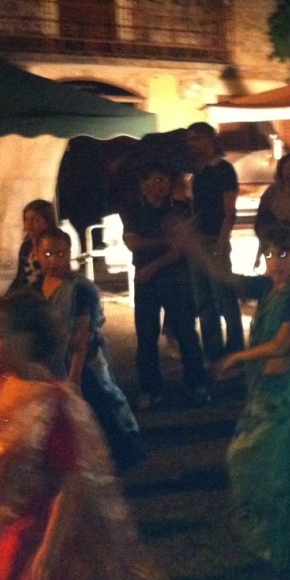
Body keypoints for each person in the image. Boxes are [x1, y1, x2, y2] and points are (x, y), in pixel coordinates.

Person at [0, 292, 181, 580]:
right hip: (7, 523)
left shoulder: (50, 401)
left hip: (41, 530)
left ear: (27, 337)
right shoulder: (0, 384)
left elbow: (71, 479)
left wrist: (49, 550)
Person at [189, 223, 290, 570]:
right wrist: (196, 248)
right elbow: (228, 278)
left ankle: (286, 547)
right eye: (269, 254)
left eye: (283, 254)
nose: (275, 261)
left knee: (282, 472)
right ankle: (269, 539)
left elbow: (281, 344)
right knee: (249, 462)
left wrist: (237, 356)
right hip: (268, 395)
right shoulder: (268, 290)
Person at [34, 228, 144, 470]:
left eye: (60, 254)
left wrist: (74, 377)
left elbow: (81, 335)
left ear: (69, 253)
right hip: (52, 363)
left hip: (84, 363)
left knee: (100, 410)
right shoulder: (35, 287)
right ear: (37, 254)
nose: (53, 261)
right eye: (48, 254)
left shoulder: (80, 288)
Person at [120, 161, 209, 410]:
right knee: (146, 336)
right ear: (144, 183)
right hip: (146, 281)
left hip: (174, 278)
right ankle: (151, 389)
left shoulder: (180, 209)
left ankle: (197, 385)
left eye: (165, 181)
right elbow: (133, 242)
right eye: (156, 180)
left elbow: (182, 249)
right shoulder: (133, 210)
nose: (161, 186)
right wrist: (167, 241)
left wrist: (153, 265)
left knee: (186, 333)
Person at [186, 121, 245, 363]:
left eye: (196, 138)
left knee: (224, 297)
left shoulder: (224, 170)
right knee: (203, 301)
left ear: (209, 139)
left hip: (214, 239)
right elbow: (197, 207)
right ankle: (213, 352)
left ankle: (235, 349)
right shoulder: (198, 173)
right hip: (198, 241)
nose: (192, 144)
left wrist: (222, 240)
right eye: (190, 140)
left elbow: (229, 210)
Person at [7, 200, 56, 293]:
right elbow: (20, 276)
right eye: (27, 220)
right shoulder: (26, 246)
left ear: (48, 222)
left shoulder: (54, 246)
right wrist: (7, 296)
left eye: (35, 220)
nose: (29, 225)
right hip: (24, 293)